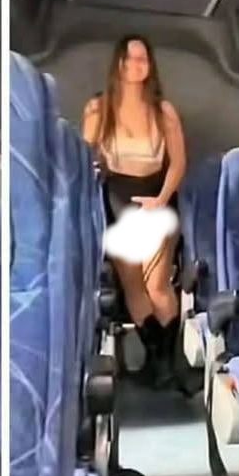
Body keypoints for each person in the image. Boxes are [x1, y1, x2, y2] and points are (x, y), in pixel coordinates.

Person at [82, 35, 187, 386]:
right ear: (119, 63)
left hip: (157, 199)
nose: (137, 65)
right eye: (130, 58)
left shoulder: (164, 111)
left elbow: (178, 163)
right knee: (134, 289)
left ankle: (169, 362)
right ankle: (159, 360)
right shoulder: (98, 109)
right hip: (118, 200)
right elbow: (85, 157)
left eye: (143, 58)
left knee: (157, 287)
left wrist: (161, 199)